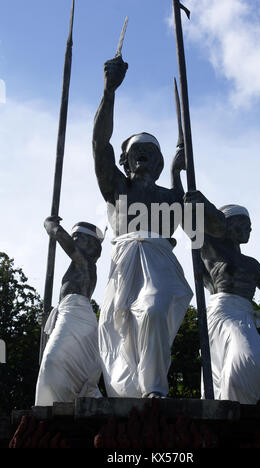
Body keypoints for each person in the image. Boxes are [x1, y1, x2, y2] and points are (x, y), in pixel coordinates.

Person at [92, 55, 193, 398]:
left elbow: (194, 231)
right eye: (136, 149)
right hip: (125, 263)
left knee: (151, 310)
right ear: (125, 159)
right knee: (122, 328)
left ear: (160, 159)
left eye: (150, 149)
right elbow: (99, 145)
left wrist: (181, 177)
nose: (143, 154)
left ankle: (154, 389)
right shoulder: (118, 189)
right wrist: (109, 92)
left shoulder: (171, 196)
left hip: (161, 263)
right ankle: (131, 392)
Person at [184, 191, 260, 404]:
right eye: (244, 224)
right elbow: (188, 217)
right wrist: (177, 175)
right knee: (246, 357)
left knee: (254, 359)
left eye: (250, 226)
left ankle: (236, 404)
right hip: (223, 313)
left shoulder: (252, 264)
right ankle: (228, 404)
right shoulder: (211, 249)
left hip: (245, 315)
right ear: (226, 225)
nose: (249, 229)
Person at [35, 216, 104, 406]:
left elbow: (64, 241)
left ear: (90, 244)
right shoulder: (80, 265)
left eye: (77, 237)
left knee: (52, 361)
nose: (73, 240)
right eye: (73, 237)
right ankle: (61, 402)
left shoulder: (86, 263)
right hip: (69, 314)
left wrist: (51, 226)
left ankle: (53, 404)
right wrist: (52, 316)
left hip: (76, 316)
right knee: (60, 363)